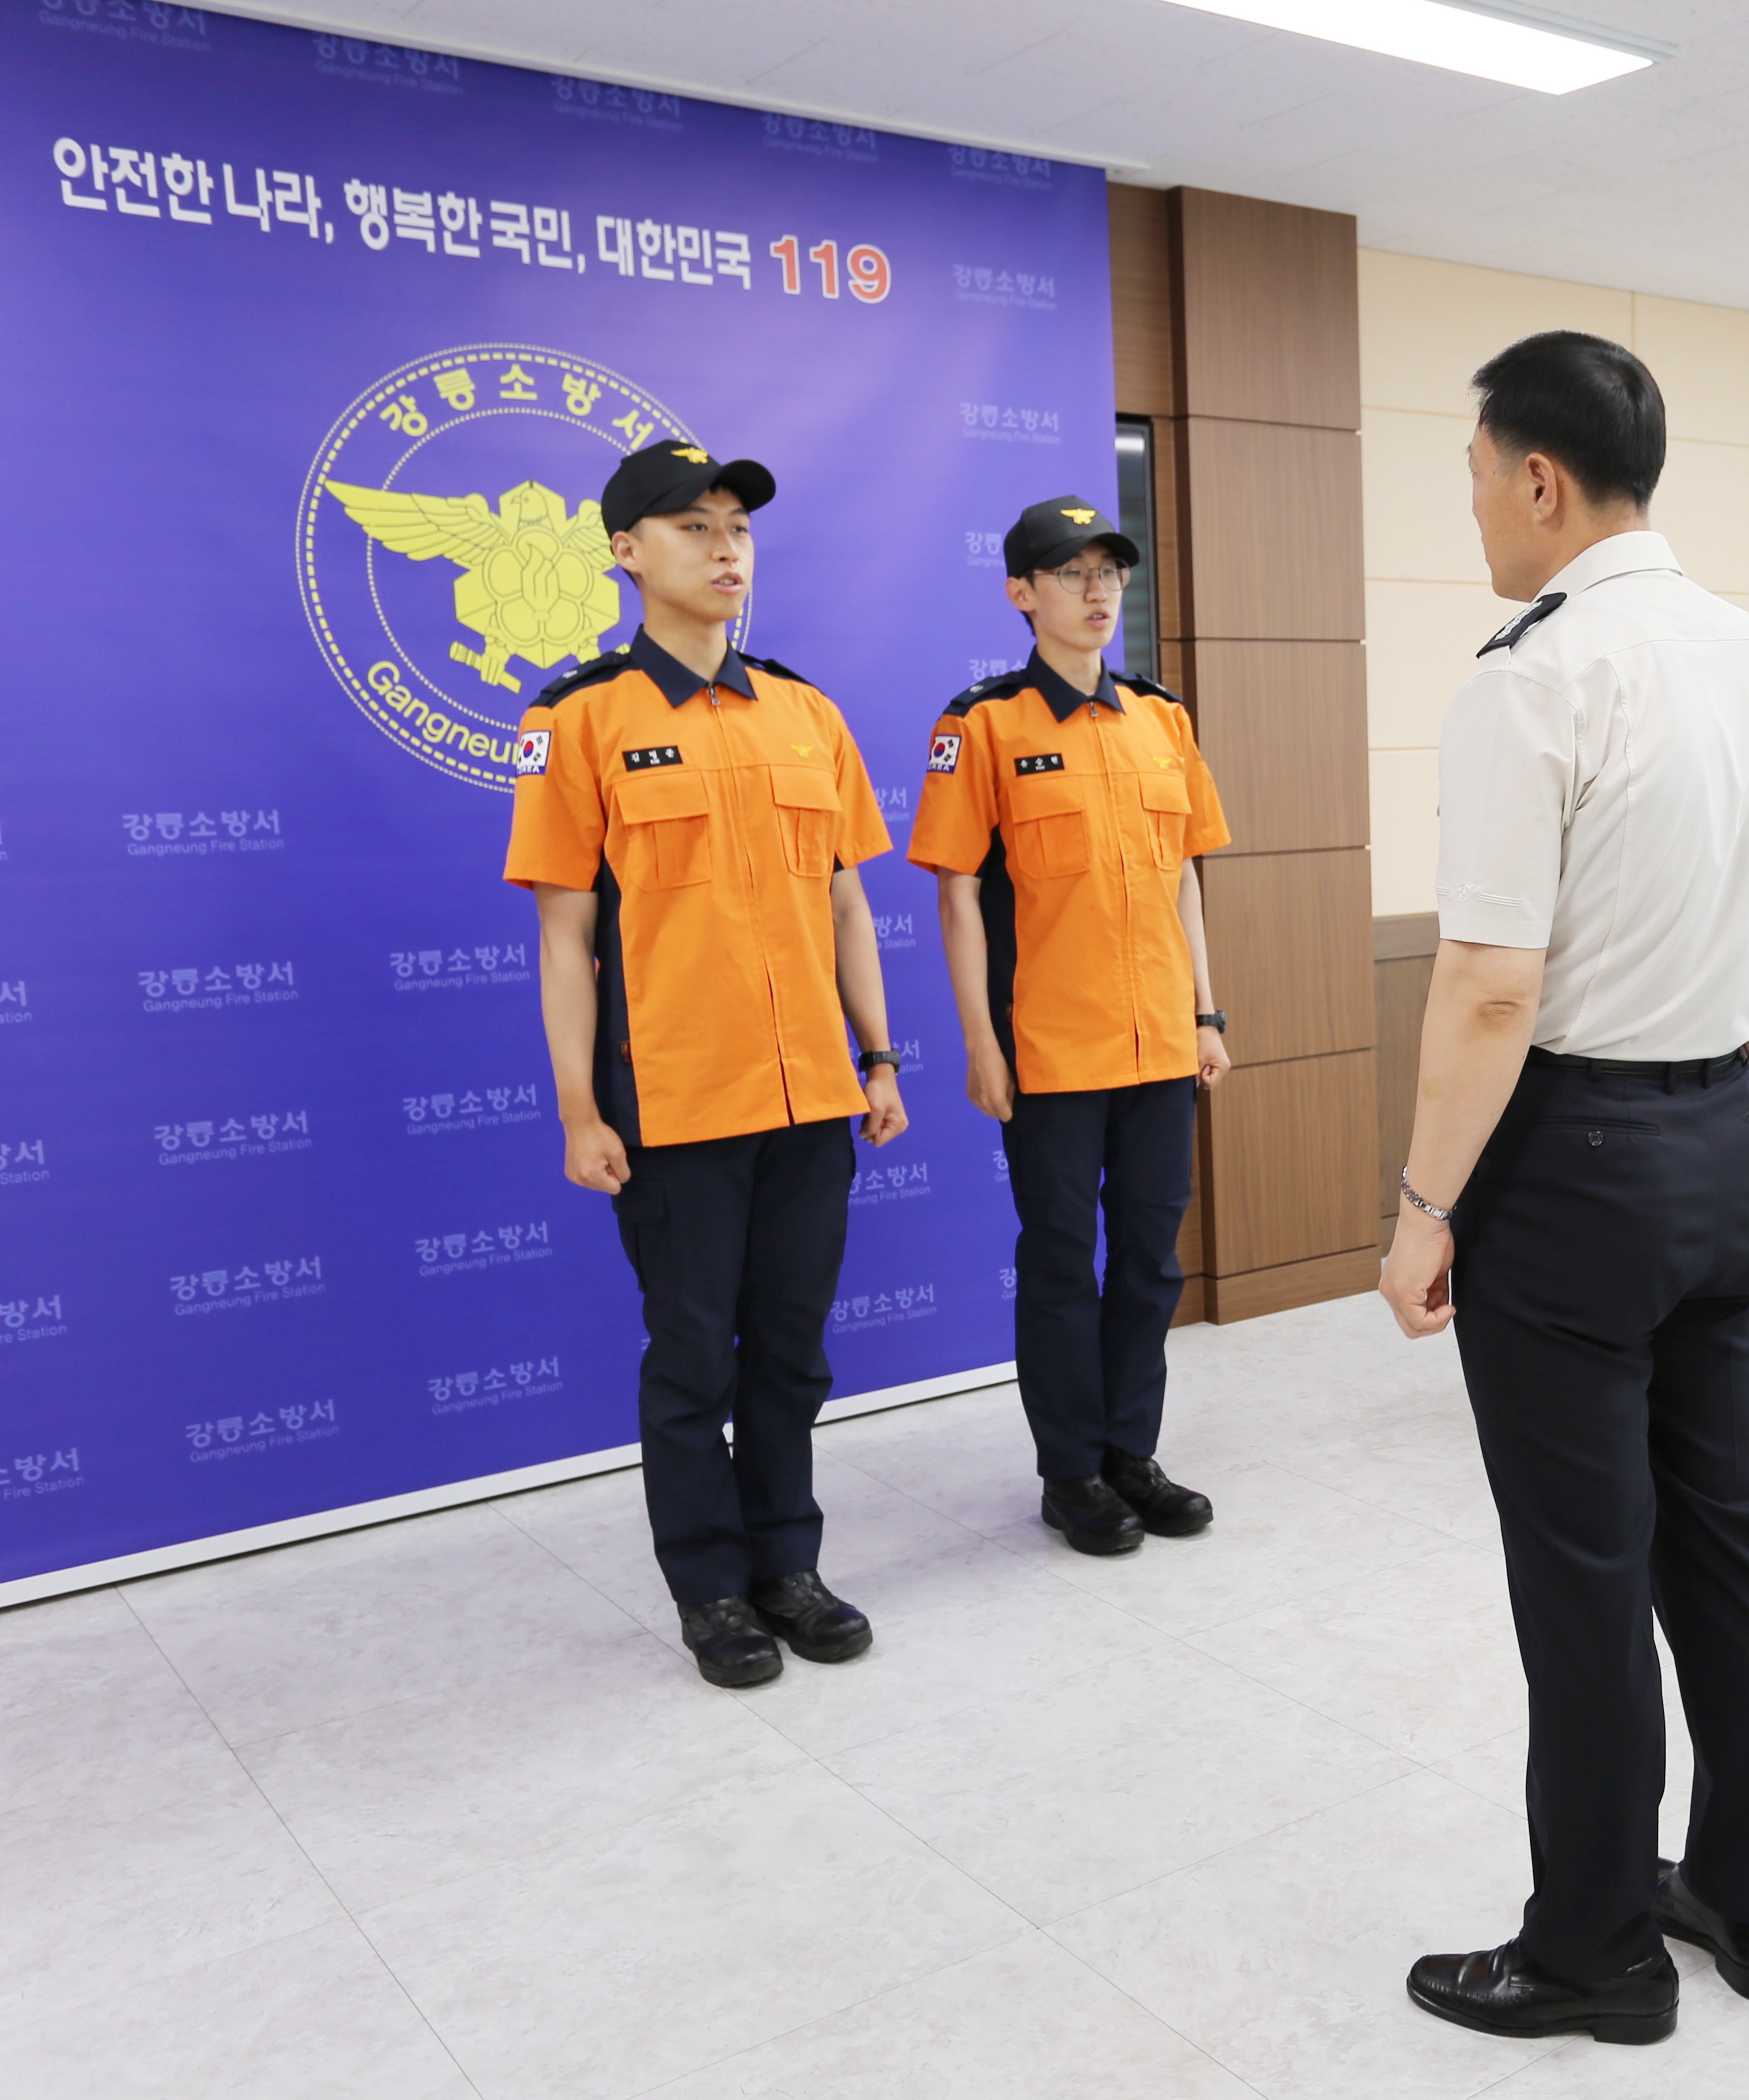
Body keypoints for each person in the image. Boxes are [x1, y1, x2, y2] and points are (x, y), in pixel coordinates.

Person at [1384, 332, 1749, 2048]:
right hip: (1725, 1135)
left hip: (1570, 1168)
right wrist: (1708, 1119)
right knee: (1729, 1538)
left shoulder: (1534, 676)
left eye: (1475, 479)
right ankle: (1748, 1899)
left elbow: (1492, 986)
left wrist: (1425, 1206)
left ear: (1539, 478)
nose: (1475, 513)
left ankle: (1593, 1952)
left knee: (1583, 1567)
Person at [505, 441, 908, 1688]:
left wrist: (880, 1057)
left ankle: (788, 1565)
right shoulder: (576, 718)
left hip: (810, 1095)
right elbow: (565, 938)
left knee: (792, 1351)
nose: (726, 547)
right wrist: (579, 1111)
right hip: (673, 1102)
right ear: (626, 552)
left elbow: (845, 903)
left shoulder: (805, 711)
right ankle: (712, 1589)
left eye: (737, 525)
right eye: (693, 526)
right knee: (691, 1360)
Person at [908, 495, 1231, 1556]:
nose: (1098, 593)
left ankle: (1132, 1453)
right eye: (1071, 573)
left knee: (1149, 1261)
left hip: (1159, 1043)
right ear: (1021, 592)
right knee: (1059, 1263)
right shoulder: (983, 725)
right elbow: (958, 895)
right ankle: (1072, 1472)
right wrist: (981, 1044)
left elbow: (1183, 878)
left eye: (1110, 572)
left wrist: (1206, 1013)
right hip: (1048, 1051)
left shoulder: (1161, 718)